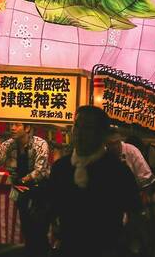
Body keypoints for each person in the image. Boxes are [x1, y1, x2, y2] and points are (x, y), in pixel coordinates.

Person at [46, 106, 141, 257]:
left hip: (105, 250)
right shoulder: (61, 168)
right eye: (77, 126)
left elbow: (134, 212)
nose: (79, 133)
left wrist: (123, 244)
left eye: (88, 128)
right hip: (68, 249)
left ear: (102, 134)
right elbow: (51, 207)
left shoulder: (117, 171)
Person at [0, 122, 49, 257]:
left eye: (17, 125)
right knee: (26, 226)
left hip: (40, 190)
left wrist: (23, 180)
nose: (12, 128)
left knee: (39, 227)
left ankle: (42, 252)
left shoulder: (40, 144)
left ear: (27, 128)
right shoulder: (8, 144)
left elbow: (40, 171)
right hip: (21, 190)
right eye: (11, 124)